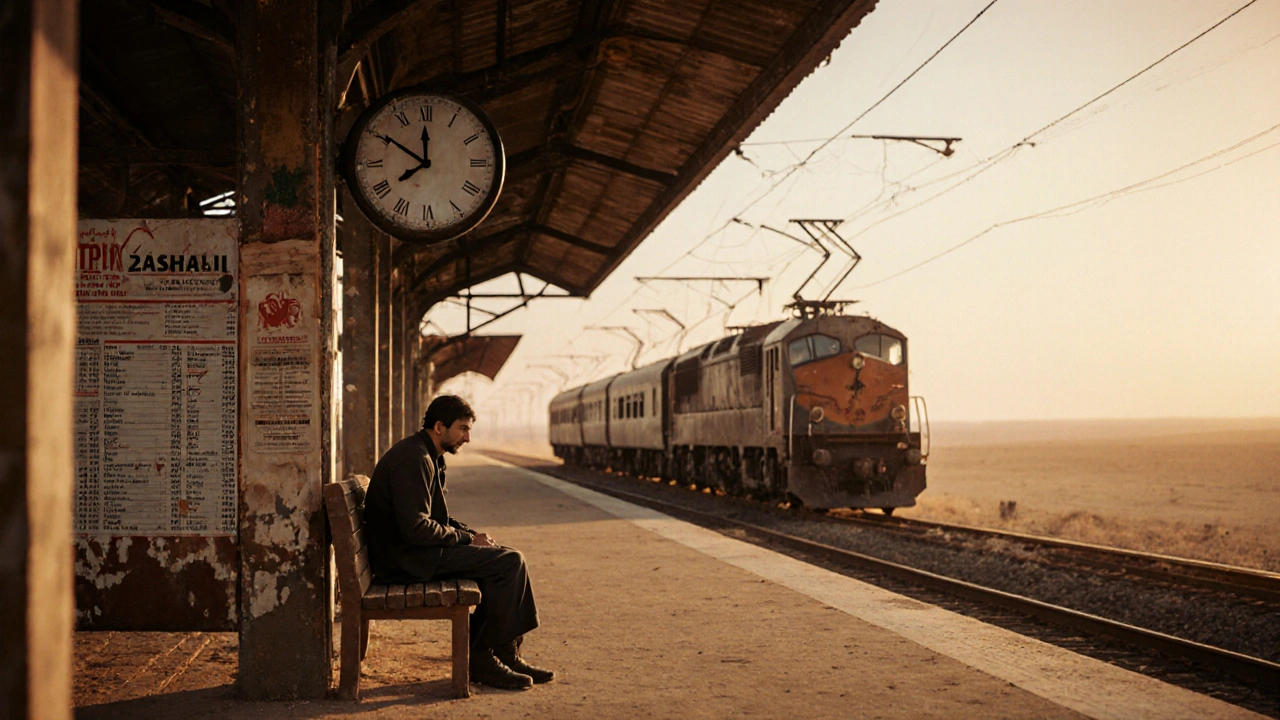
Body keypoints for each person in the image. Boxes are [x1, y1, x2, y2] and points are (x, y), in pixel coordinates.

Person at [363, 394, 554, 690]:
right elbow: (416, 529)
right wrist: (466, 539)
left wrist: (471, 536)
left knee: (507, 555)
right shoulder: (414, 460)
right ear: (440, 427)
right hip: (406, 561)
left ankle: (505, 652)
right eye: (463, 429)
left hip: (414, 554)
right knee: (509, 564)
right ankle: (480, 657)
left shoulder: (426, 455)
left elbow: (434, 521)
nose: (467, 437)